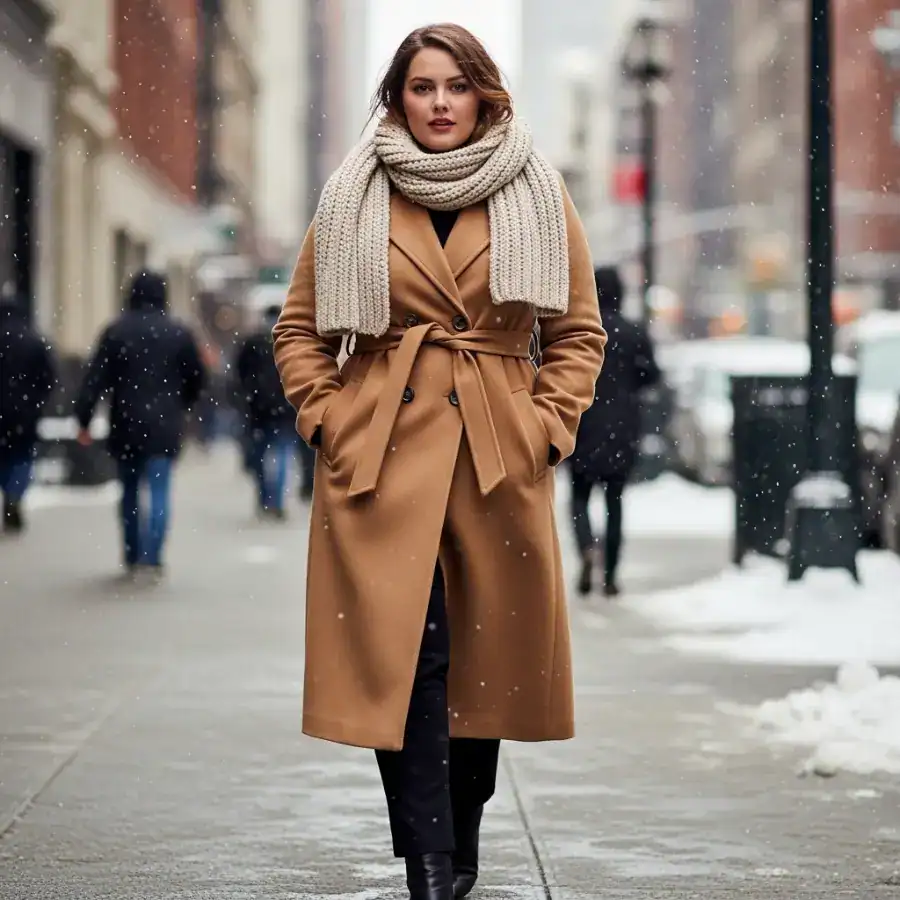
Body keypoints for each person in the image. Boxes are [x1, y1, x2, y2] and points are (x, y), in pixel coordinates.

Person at [273, 23, 606, 900]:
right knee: (402, 661)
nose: (440, 104)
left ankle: (459, 840)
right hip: (382, 455)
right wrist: (330, 420)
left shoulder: (536, 190)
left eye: (455, 86)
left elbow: (576, 335)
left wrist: (545, 427)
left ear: (485, 93)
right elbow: (299, 330)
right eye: (422, 88)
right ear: (398, 98)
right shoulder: (352, 194)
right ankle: (428, 860)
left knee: (480, 663)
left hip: (496, 457)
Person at [74, 271, 205, 578]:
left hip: (126, 422)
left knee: (129, 490)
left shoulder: (116, 332)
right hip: (164, 423)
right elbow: (197, 377)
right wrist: (183, 404)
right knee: (159, 489)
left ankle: (132, 555)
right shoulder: (178, 333)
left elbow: (95, 379)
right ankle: (152, 557)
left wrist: (83, 419)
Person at [568, 266, 660, 597]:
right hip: (622, 429)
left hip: (583, 426)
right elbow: (651, 376)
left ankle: (586, 548)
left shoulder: (582, 330)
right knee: (615, 501)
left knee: (579, 496)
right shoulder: (634, 332)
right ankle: (609, 574)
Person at [0, 289, 56, 533]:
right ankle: (15, 493)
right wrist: (38, 400)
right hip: (26, 411)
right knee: (22, 457)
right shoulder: (34, 340)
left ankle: (8, 492)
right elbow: (48, 377)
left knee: (3, 456)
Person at [235, 304, 297, 518]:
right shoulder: (291, 341)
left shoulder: (253, 342)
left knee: (259, 456)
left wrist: (247, 396)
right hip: (286, 407)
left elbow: (240, 374)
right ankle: (276, 501)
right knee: (281, 454)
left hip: (258, 408)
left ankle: (265, 497)